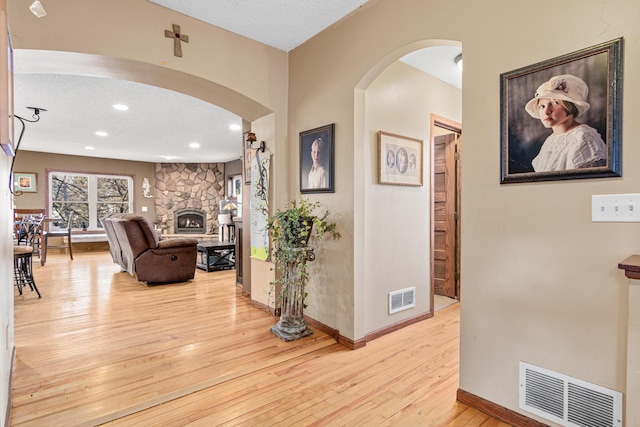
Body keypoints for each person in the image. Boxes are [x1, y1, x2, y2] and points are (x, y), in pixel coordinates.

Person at [524, 74, 606, 172]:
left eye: (555, 103)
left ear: (569, 106)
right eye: (542, 106)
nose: (546, 111)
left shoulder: (583, 136)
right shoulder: (550, 140)